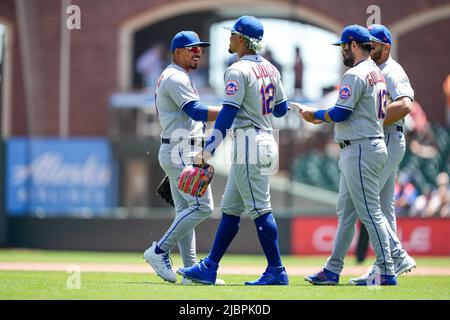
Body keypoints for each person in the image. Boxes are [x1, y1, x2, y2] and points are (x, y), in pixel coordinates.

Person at [177, 16, 290, 285]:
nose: (229, 38)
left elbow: (227, 115)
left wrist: (207, 151)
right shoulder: (272, 69)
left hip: (249, 143)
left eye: (232, 34)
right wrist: (261, 98)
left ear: (241, 39)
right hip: (263, 138)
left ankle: (277, 270)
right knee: (230, 209)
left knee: (261, 210)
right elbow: (281, 109)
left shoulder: (237, 70)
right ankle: (210, 267)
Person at [297, 25, 399, 286]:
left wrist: (315, 116)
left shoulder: (356, 73)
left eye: (343, 46)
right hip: (363, 145)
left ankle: (386, 270)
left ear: (353, 45)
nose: (342, 51)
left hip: (362, 147)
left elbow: (341, 113)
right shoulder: (376, 72)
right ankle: (332, 269)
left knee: (370, 212)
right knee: (346, 213)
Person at [143, 31, 224, 285]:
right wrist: (229, 112)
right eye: (192, 48)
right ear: (177, 51)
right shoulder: (175, 76)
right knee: (203, 208)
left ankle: (190, 272)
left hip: (179, 148)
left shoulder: (179, 75)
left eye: (200, 48)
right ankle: (159, 251)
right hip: (181, 151)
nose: (198, 51)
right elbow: (196, 111)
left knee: (186, 211)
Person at [351, 24, 417, 273]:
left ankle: (397, 256)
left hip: (388, 137)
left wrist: (372, 119)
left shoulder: (391, 70)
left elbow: (406, 104)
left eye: (373, 44)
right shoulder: (373, 70)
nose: (369, 48)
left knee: (367, 201)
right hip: (383, 138)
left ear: (386, 47)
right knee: (382, 205)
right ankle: (385, 264)